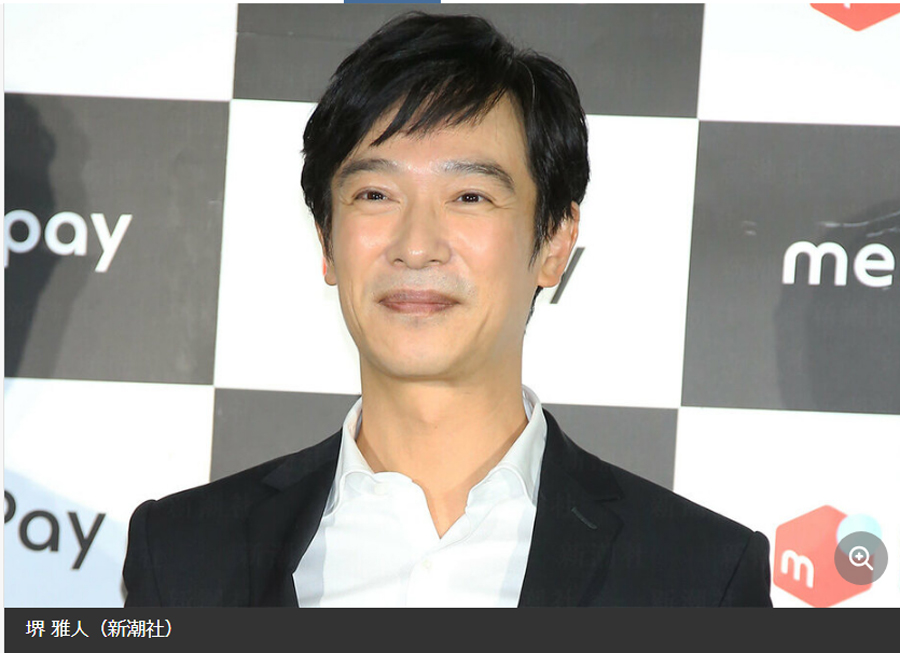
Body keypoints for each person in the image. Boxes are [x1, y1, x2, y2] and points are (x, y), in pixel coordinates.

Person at [123, 12, 772, 607]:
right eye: (375, 194)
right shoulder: (181, 554)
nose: (416, 245)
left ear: (554, 242)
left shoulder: (698, 574)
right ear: (326, 239)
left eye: (469, 197)